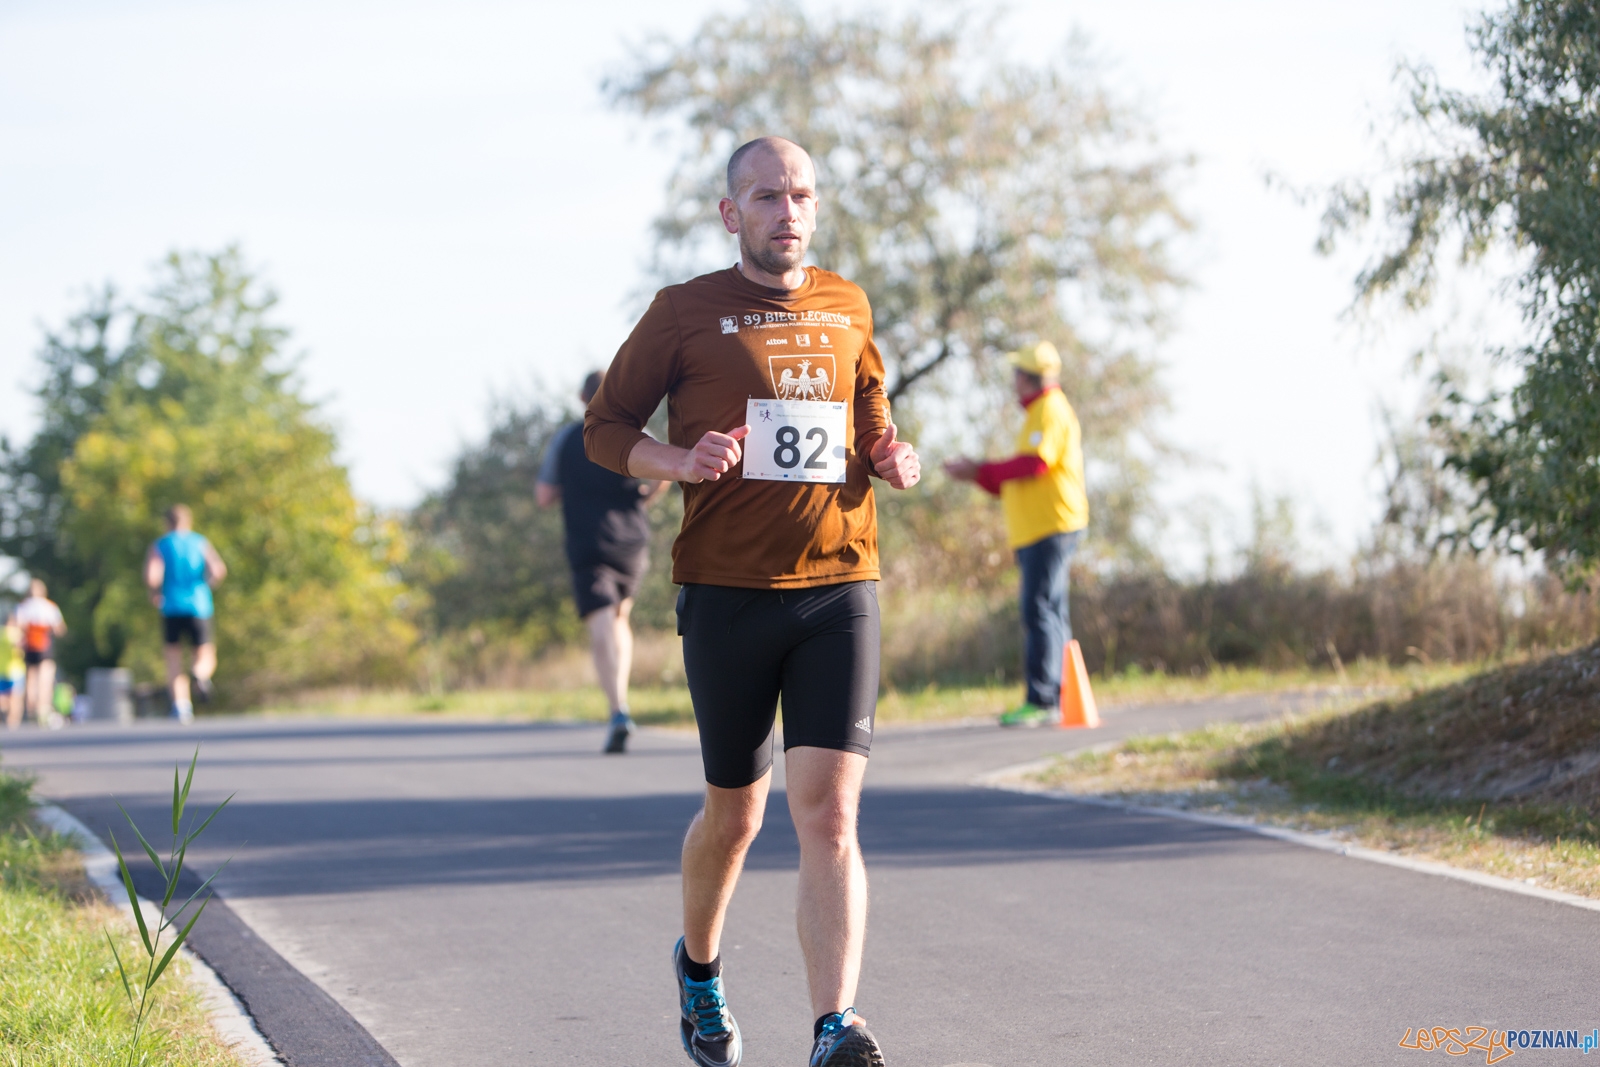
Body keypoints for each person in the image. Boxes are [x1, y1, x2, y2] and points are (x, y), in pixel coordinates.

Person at [585, 135, 920, 1067]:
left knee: (832, 809)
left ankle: (832, 1028)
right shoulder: (684, 313)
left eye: (801, 195)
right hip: (728, 592)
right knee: (736, 813)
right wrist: (675, 459)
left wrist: (891, 453)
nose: (788, 211)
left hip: (838, 582)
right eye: (767, 195)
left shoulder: (847, 304)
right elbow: (606, 427)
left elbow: (871, 413)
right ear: (733, 213)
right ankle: (698, 966)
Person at [943, 340, 1089, 726]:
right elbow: (1018, 477)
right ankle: (1055, 697)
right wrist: (980, 475)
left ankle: (1043, 700)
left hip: (1051, 526)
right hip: (1040, 527)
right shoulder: (1039, 412)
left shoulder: (1049, 409)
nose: (1012, 382)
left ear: (1026, 378)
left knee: (1039, 610)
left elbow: (1034, 465)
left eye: (1015, 374)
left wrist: (979, 469)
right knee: (1049, 611)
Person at [537, 370, 669, 754]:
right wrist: (643, 498)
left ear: (582, 398)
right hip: (631, 542)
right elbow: (666, 469)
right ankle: (620, 703)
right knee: (619, 618)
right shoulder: (635, 433)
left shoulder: (566, 439)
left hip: (588, 542)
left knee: (601, 623)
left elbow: (544, 495)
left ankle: (617, 709)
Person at [144, 505, 227, 724]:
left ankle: (181, 706)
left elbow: (153, 576)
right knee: (205, 654)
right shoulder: (200, 542)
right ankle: (199, 675)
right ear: (188, 521)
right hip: (199, 605)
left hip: (171, 606)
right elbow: (218, 570)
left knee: (173, 658)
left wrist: (155, 593)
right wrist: (207, 585)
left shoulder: (161, 545)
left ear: (167, 522)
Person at [13, 579, 67, 729]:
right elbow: (59, 628)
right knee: (45, 678)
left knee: (31, 678)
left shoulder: (23, 607)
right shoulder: (49, 607)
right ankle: (42, 709)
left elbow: (19, 627)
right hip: (44, 646)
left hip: (29, 647)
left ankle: (31, 707)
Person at [0, 617, 21, 730]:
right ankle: (12, 720)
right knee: (15, 696)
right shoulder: (16, 634)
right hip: (15, 670)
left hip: (1, 669)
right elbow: (19, 651)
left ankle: (3, 709)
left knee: (2, 695)